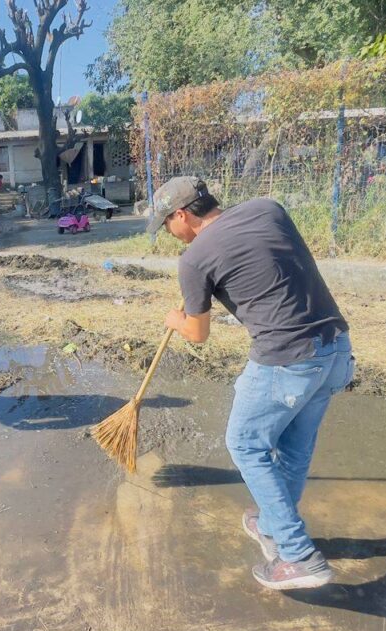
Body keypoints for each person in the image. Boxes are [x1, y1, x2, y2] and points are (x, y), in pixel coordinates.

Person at [147, 177, 353, 591]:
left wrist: (176, 320)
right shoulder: (268, 208)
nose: (169, 235)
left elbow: (197, 334)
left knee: (245, 444)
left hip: (287, 359)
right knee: (293, 450)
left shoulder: (194, 259)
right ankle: (273, 525)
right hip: (336, 349)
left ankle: (297, 556)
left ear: (182, 216)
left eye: (166, 225)